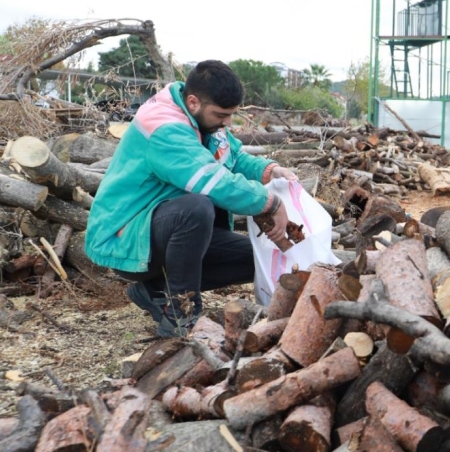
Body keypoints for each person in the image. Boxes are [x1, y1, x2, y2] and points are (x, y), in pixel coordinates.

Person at [85, 60, 297, 337]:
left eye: (231, 115)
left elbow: (232, 157)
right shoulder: (164, 127)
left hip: (160, 232)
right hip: (126, 236)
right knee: (197, 206)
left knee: (258, 259)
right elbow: (210, 179)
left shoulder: (202, 119)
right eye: (222, 114)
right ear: (194, 102)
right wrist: (270, 203)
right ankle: (181, 315)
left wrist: (268, 170)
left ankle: (155, 291)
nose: (228, 122)